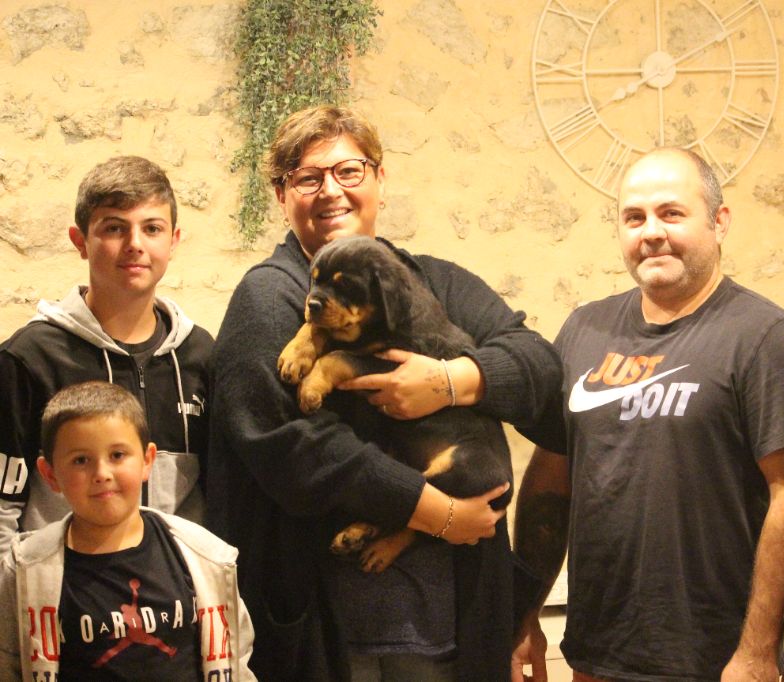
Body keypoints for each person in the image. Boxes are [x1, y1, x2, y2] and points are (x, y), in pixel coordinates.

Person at [206, 104, 562, 681]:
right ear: (281, 195)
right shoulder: (271, 296)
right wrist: (438, 514)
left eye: (349, 171)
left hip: (455, 617)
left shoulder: (434, 280)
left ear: (378, 179)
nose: (331, 190)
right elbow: (294, 446)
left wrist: (448, 383)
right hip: (339, 630)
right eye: (307, 177)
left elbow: (539, 367)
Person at [512, 147, 784, 682]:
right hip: (597, 653)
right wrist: (523, 612)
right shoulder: (584, 331)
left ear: (719, 222)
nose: (651, 232)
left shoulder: (765, 338)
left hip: (717, 661)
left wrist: (759, 649)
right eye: (634, 217)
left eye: (671, 213)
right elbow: (550, 485)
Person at [0, 156, 211, 558]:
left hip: (176, 591)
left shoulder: (199, 355)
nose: (135, 244)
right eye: (114, 228)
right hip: (63, 591)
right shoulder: (27, 359)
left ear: (173, 241)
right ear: (80, 241)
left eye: (152, 228)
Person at [0, 381, 255, 680]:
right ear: (50, 474)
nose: (102, 474)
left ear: (147, 460)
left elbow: (236, 656)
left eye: (118, 455)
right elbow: (8, 663)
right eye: (81, 460)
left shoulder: (206, 557)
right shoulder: (24, 569)